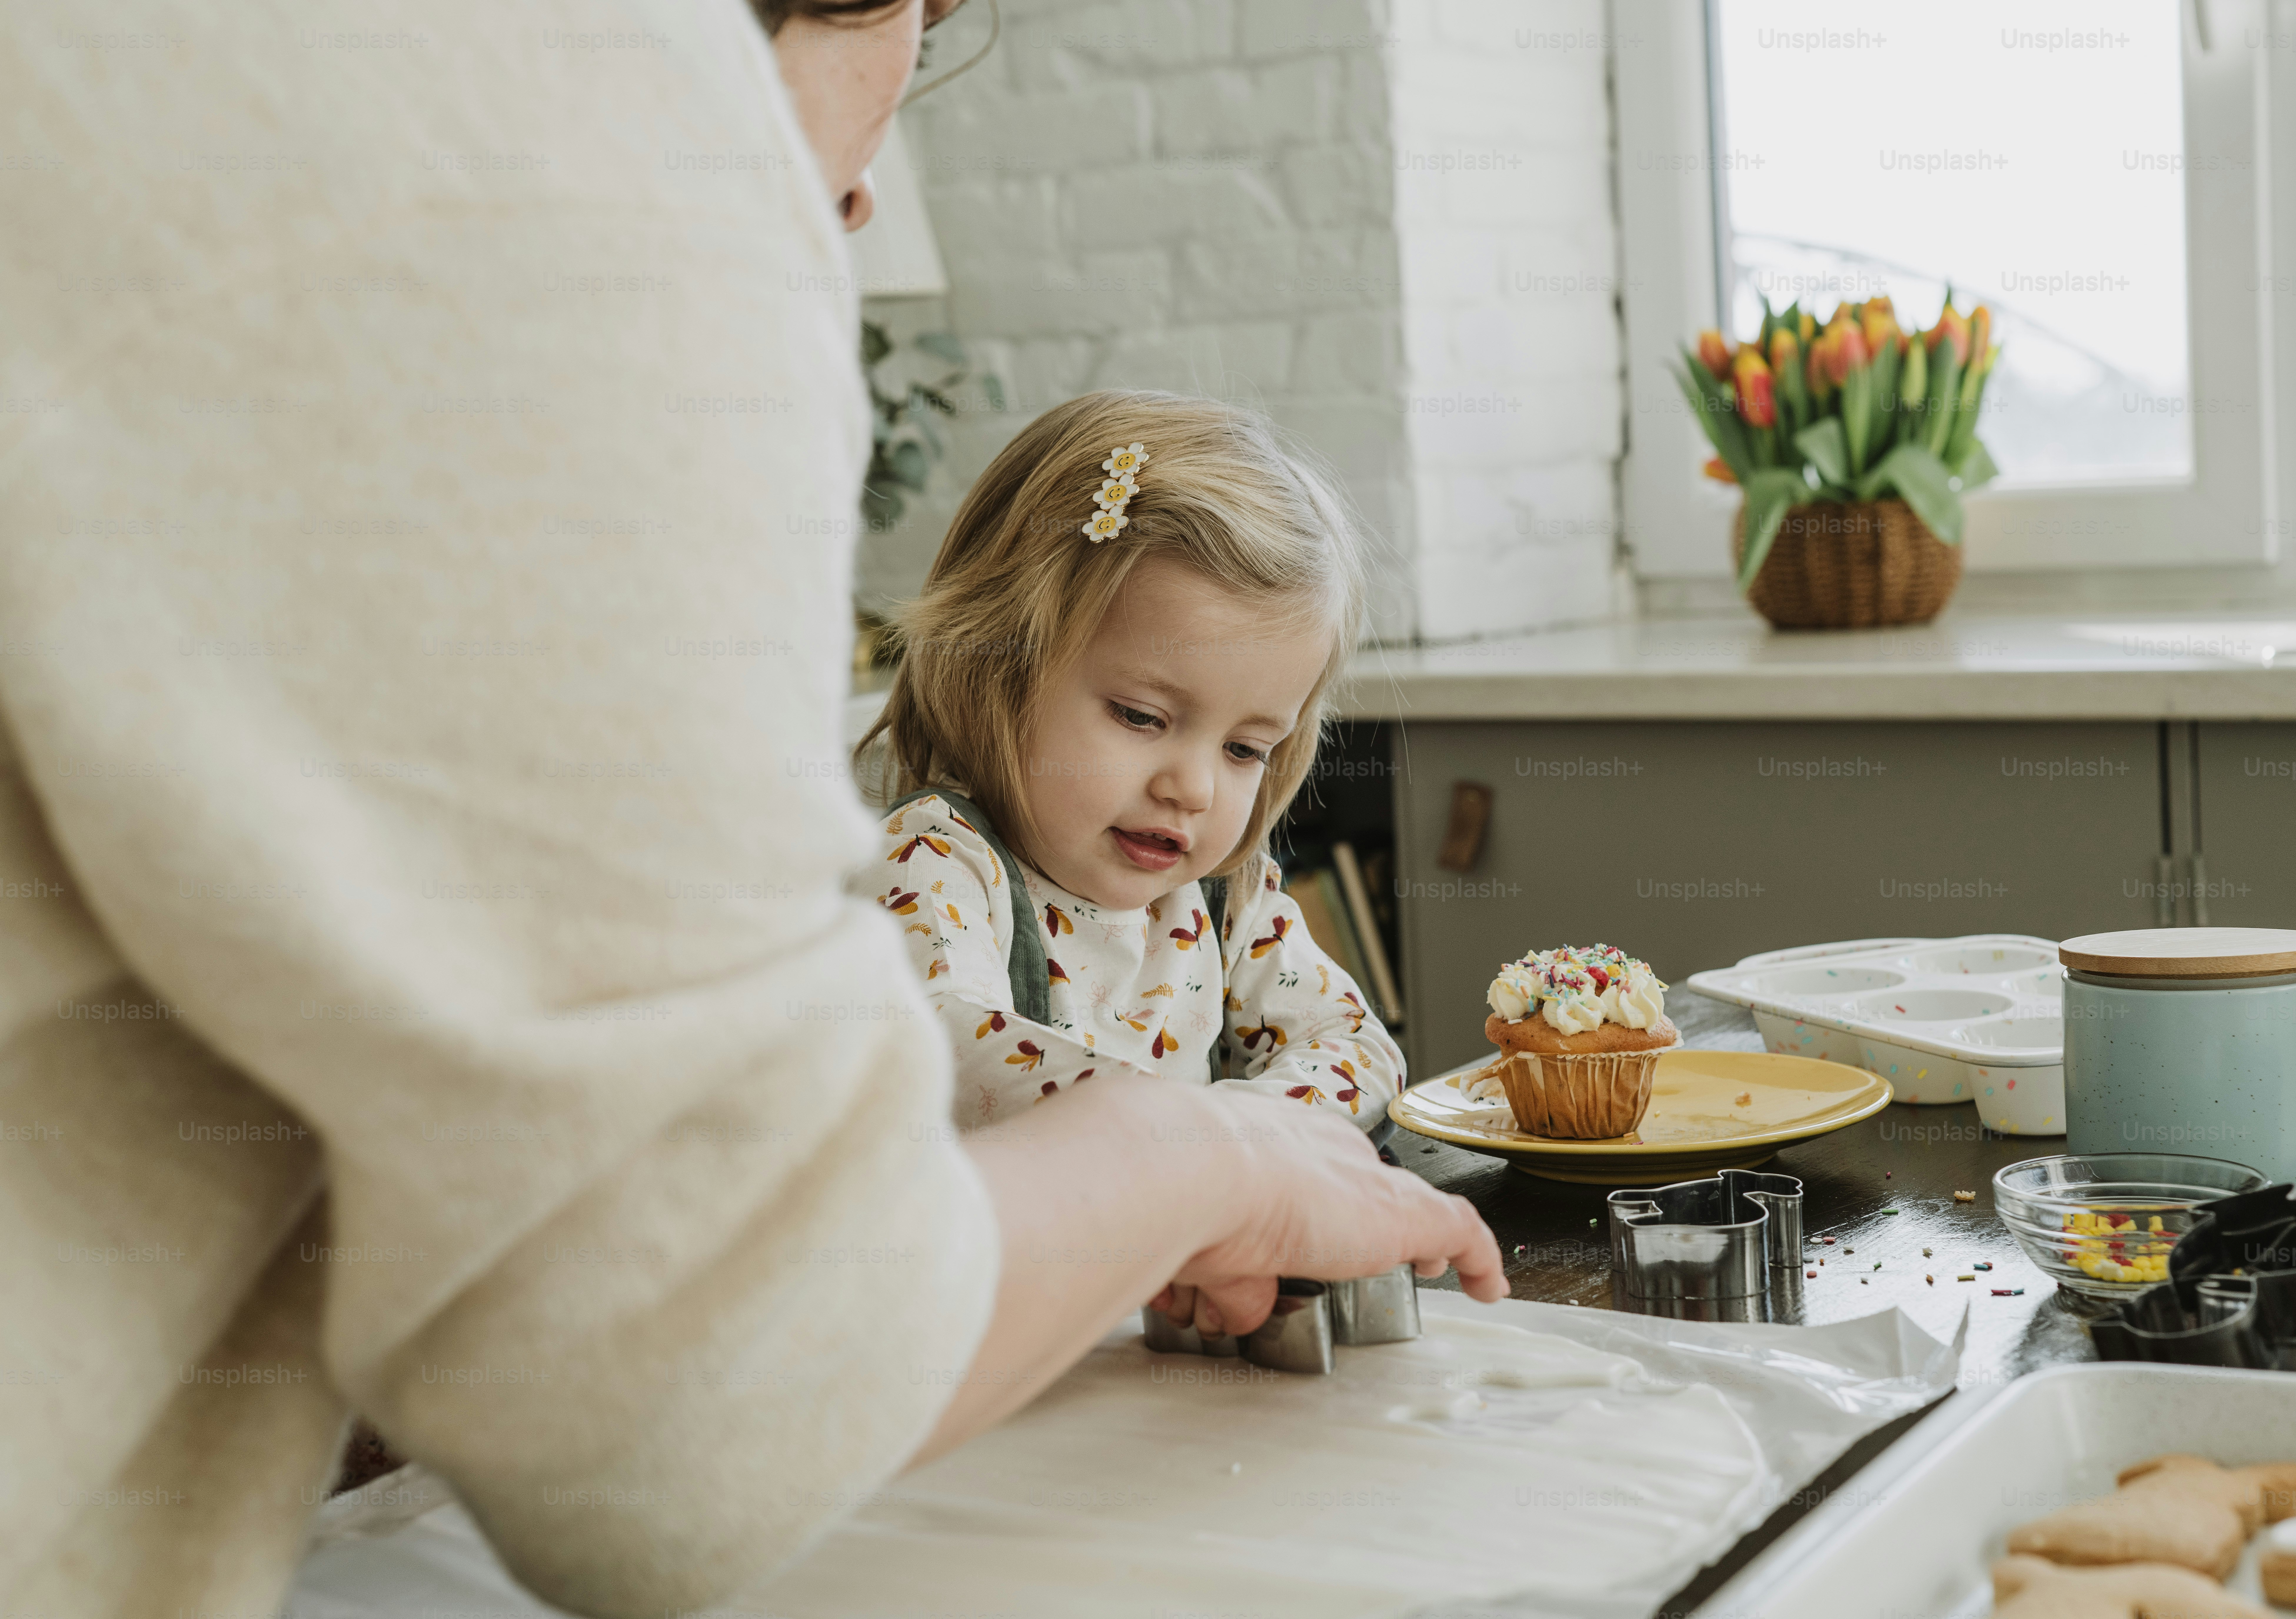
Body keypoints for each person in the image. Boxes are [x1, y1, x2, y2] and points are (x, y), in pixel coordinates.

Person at [0, 6, 1503, 1619]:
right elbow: (702, 1400)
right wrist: (1206, 1157)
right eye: (904, 34)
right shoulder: (575, 152)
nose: (848, 212)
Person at [856, 390, 1402, 1135]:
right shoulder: (935, 862)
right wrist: (1202, 1140)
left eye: (1245, 749)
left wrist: (1239, 1140)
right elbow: (950, 1051)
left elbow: (1358, 1047)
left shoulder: (1223, 901)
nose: (1193, 788)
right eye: (1141, 717)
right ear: (996, 670)